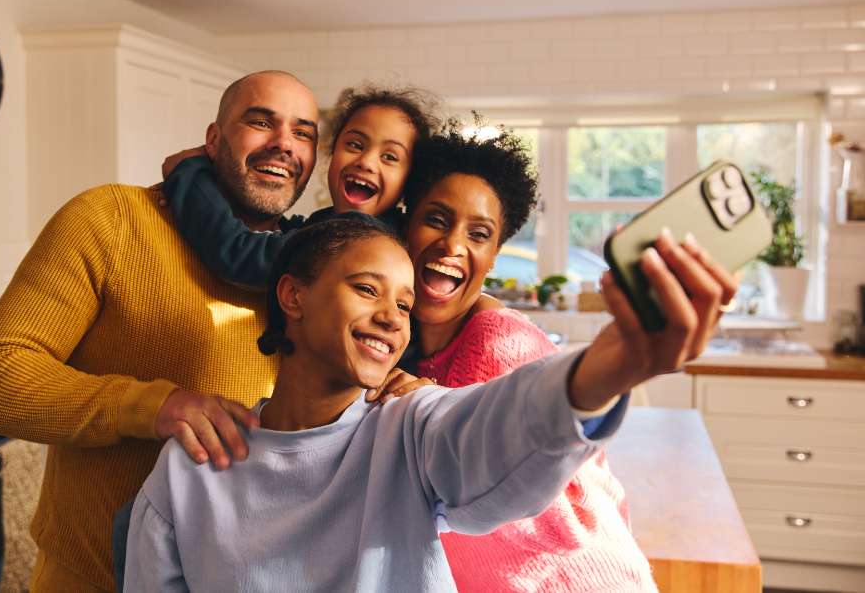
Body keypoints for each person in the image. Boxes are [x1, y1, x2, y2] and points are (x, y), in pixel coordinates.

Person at [124, 210, 734, 591]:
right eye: (367, 289)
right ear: (293, 296)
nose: (391, 318)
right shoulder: (191, 468)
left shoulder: (406, 431)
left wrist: (613, 364)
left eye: (406, 306)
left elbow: (497, 431)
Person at [0, 70, 333, 592]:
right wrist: (154, 406)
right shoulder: (111, 219)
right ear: (213, 139)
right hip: (94, 581)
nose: (283, 145)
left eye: (303, 133)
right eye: (260, 121)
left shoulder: (318, 265)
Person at [395, 125, 668, 591]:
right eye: (437, 219)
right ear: (405, 227)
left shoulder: (500, 343)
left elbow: (501, 456)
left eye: (479, 234)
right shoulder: (411, 347)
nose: (453, 245)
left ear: (495, 255)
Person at [159, 84, 440, 289]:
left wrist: (189, 175)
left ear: (409, 181)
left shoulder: (361, 239)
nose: (366, 162)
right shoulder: (330, 225)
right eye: (354, 144)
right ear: (330, 152)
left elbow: (237, 253)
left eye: (390, 157)